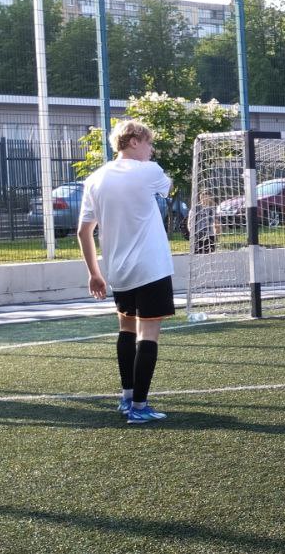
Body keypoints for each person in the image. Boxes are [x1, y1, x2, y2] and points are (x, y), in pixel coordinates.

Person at [77, 120, 173, 424]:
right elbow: (167, 188)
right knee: (149, 334)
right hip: (151, 268)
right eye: (148, 143)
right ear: (133, 141)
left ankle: (128, 398)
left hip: (117, 270)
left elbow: (83, 231)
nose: (151, 149)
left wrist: (94, 273)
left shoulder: (94, 179)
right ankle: (140, 408)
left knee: (127, 330)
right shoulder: (149, 171)